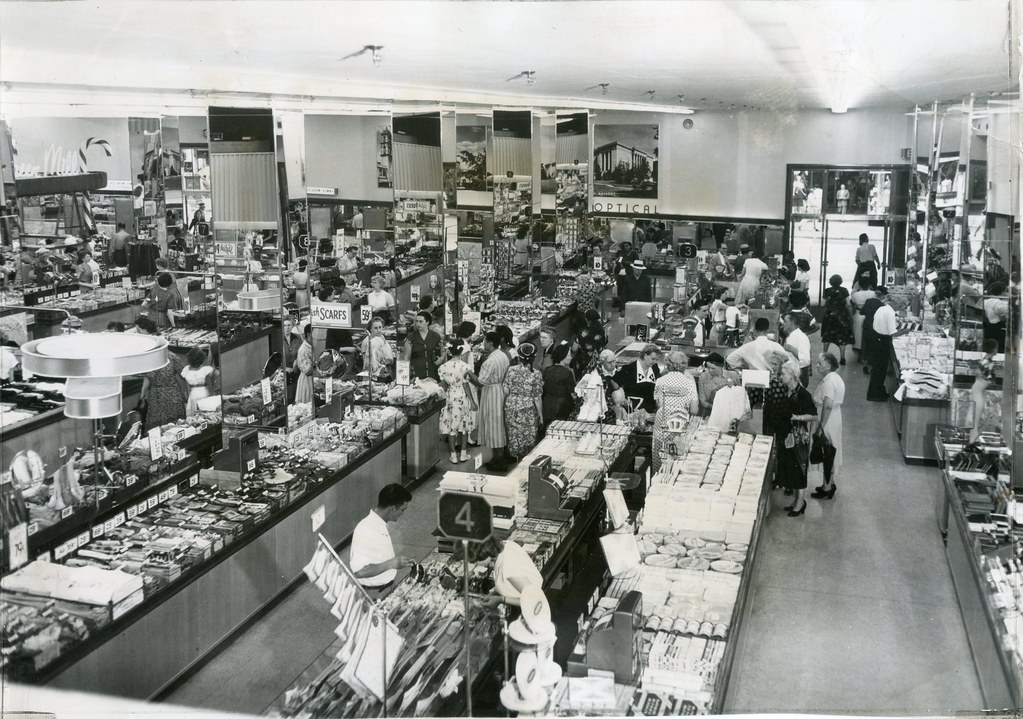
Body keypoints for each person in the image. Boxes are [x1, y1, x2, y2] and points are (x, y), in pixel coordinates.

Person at [764, 360, 817, 517]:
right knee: (791, 469)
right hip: (787, 435)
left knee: (799, 469)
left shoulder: (803, 394)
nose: (781, 376)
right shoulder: (787, 390)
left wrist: (797, 417)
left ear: (793, 376)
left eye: (784, 374)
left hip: (798, 437)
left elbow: (814, 415)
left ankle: (800, 503)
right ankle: (796, 501)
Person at [350, 483, 412, 596]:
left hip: (385, 588)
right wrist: (392, 563)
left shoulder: (380, 523)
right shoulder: (366, 530)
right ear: (392, 509)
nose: (403, 514)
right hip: (373, 593)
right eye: (402, 510)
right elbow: (359, 572)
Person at [134, 317, 188, 431]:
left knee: (174, 427)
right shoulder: (148, 358)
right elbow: (148, 376)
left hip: (171, 395)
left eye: (139, 330)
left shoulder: (171, 357)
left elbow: (183, 374)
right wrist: (143, 393)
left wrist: (185, 392)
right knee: (156, 428)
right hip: (155, 396)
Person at [651, 351, 699, 471]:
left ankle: (658, 474)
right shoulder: (689, 383)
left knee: (659, 450)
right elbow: (694, 410)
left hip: (662, 419)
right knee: (677, 452)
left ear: (668, 364)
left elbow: (658, 403)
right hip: (680, 420)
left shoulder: (660, 381)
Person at [475, 331, 511, 470]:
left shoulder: (490, 361)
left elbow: (481, 381)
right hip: (501, 390)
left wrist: (468, 373)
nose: (483, 344)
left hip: (492, 393)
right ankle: (498, 456)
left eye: (484, 341)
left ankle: (500, 460)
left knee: (493, 425)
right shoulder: (503, 355)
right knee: (500, 424)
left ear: (490, 343)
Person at [438, 339, 479, 464]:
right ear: (461, 351)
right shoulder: (466, 367)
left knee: (452, 427)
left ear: (449, 351)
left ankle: (453, 455)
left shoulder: (442, 368)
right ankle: (463, 454)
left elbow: (443, 385)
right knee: (464, 427)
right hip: (462, 397)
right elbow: (466, 386)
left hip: (450, 398)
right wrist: (472, 402)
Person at [810, 353, 844, 500]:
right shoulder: (835, 378)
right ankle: (829, 483)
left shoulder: (829, 382)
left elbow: (828, 406)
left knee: (827, 452)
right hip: (834, 418)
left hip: (828, 420)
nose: (817, 366)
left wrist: (820, 428)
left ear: (828, 365)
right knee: (830, 451)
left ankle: (827, 487)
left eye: (820, 364)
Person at [503, 343, 543, 460]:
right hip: (528, 409)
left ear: (519, 357)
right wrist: (540, 415)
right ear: (534, 357)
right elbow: (537, 397)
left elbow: (505, 390)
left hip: (511, 407)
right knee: (528, 437)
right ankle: (526, 462)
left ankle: (516, 459)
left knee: (514, 436)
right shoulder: (536, 374)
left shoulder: (510, 370)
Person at [866, 287, 899, 402]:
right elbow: (893, 333)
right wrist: (905, 331)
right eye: (901, 305)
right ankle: (875, 394)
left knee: (877, 369)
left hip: (876, 339)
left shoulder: (882, 308)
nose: (901, 308)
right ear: (895, 303)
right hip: (883, 342)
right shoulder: (890, 313)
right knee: (880, 369)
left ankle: (877, 391)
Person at [613, 343, 662, 415]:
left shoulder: (655, 368)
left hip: (650, 411)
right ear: (645, 356)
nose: (655, 362)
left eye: (656, 360)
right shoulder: (630, 368)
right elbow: (613, 381)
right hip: (632, 410)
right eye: (653, 359)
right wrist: (623, 399)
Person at [969, 339, 999, 443]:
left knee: (975, 421)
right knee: (976, 422)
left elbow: (980, 374)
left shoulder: (984, 359)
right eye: (996, 347)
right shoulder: (989, 363)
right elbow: (989, 379)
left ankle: (972, 440)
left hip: (976, 389)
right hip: (978, 392)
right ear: (993, 349)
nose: (997, 349)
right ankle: (972, 441)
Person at [821, 274, 854, 365]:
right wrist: (850, 315)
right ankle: (842, 358)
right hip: (841, 316)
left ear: (831, 281)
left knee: (827, 337)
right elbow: (848, 304)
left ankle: (824, 355)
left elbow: (822, 304)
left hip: (829, 316)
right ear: (840, 281)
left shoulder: (827, 291)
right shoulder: (844, 290)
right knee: (842, 337)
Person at [541, 342, 576, 427]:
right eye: (568, 355)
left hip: (546, 405)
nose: (571, 357)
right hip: (562, 407)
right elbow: (573, 394)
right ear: (562, 357)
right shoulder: (567, 373)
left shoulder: (547, 370)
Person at [403, 310, 443, 381]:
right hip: (416, 375)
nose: (418, 324)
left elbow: (442, 348)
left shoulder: (435, 336)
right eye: (416, 321)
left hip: (433, 374)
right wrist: (407, 377)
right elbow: (406, 359)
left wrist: (442, 358)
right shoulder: (410, 338)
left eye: (421, 321)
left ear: (427, 322)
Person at [698, 352, 739, 417]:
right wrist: (718, 409)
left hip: (729, 413)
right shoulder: (703, 377)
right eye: (708, 367)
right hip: (709, 413)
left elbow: (739, 398)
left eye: (713, 368)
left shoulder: (733, 376)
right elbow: (703, 402)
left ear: (721, 366)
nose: (710, 371)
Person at [181, 347, 214, 418]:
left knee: (193, 414)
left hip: (193, 395)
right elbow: (209, 385)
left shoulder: (186, 370)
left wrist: (187, 397)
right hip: (204, 393)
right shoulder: (206, 370)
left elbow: (186, 387)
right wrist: (212, 396)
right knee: (206, 413)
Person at [859, 286, 885, 374]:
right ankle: (874, 366)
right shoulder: (882, 305)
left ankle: (865, 366)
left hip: (867, 326)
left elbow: (861, 312)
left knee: (866, 346)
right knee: (875, 347)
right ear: (883, 296)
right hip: (877, 328)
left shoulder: (868, 301)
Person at [360, 317, 395, 382]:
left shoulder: (382, 338)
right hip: (373, 378)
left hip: (386, 375)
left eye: (380, 327)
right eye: (375, 328)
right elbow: (367, 363)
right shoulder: (367, 341)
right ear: (370, 329)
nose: (378, 330)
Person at [782, 312, 811, 387]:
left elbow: (806, 360)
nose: (783, 324)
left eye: (785, 321)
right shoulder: (791, 336)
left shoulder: (801, 337)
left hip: (797, 379)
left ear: (792, 323)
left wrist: (792, 350)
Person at [982, 283, 1009, 353]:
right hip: (997, 329)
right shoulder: (999, 303)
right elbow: (1004, 317)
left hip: (986, 328)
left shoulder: (985, 301)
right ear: (1003, 292)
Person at [294, 322, 316, 405]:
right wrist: (319, 363)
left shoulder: (313, 345)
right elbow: (307, 371)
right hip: (307, 382)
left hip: (313, 380)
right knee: (307, 405)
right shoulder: (303, 350)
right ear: (309, 334)